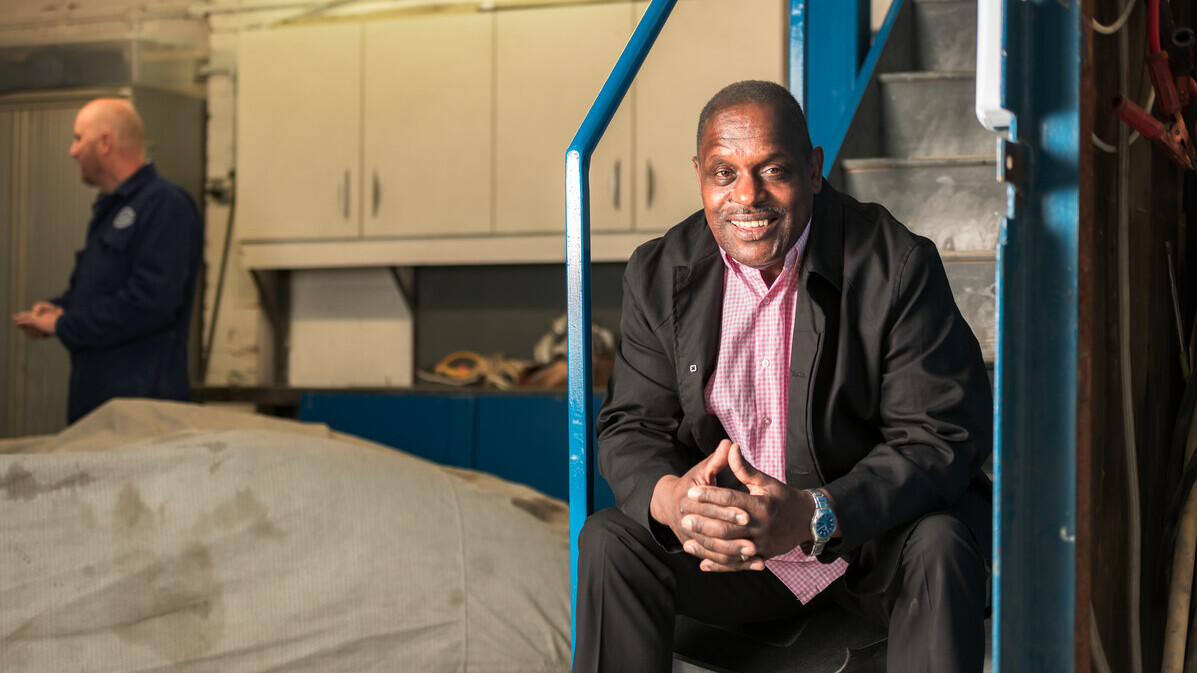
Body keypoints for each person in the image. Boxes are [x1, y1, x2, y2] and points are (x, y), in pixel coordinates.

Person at [572, 80, 993, 672]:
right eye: (724, 174)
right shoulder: (658, 272)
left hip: (863, 550)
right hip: (733, 558)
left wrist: (814, 513)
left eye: (773, 171)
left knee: (943, 543)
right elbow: (630, 425)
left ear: (814, 170)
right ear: (699, 174)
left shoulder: (895, 263)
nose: (748, 196)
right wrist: (672, 500)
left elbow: (942, 434)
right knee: (609, 542)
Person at [12, 98, 203, 424]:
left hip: (140, 413)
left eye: (78, 139)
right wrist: (60, 308)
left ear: (105, 143)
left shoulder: (164, 206)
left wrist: (64, 324)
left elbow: (151, 302)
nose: (72, 151)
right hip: (98, 406)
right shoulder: (109, 211)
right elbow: (97, 293)